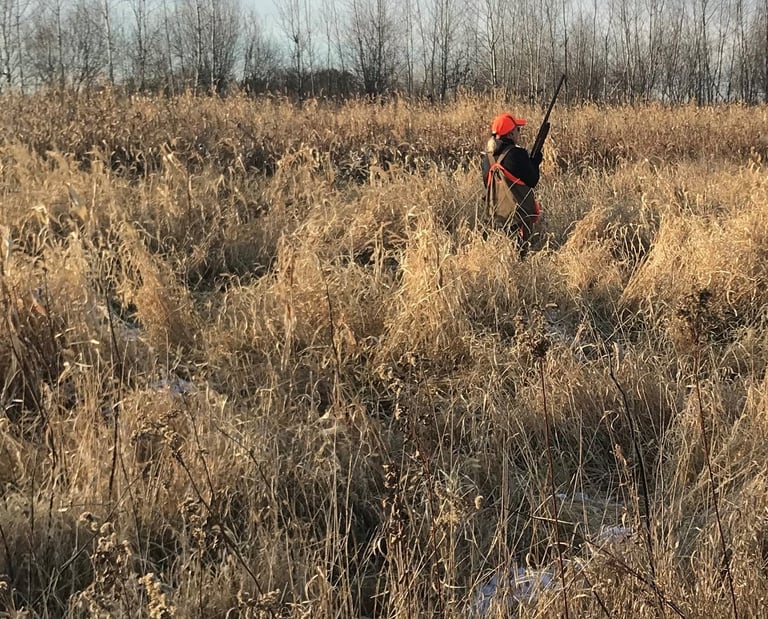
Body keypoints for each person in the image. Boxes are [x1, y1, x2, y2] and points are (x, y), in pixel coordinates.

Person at [482, 112, 543, 258]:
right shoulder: (517, 154)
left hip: (495, 216)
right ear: (510, 134)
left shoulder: (487, 159)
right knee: (520, 255)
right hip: (518, 216)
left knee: (500, 255)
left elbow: (487, 185)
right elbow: (532, 180)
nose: (519, 133)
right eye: (517, 129)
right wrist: (535, 162)